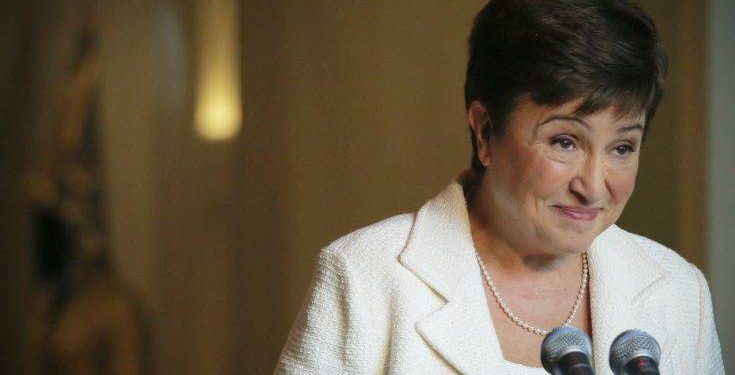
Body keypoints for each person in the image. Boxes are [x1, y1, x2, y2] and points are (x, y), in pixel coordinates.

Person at [275, 0, 724, 373]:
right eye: (565, 141)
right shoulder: (367, 276)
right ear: (486, 129)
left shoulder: (680, 292)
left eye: (623, 148)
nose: (593, 186)